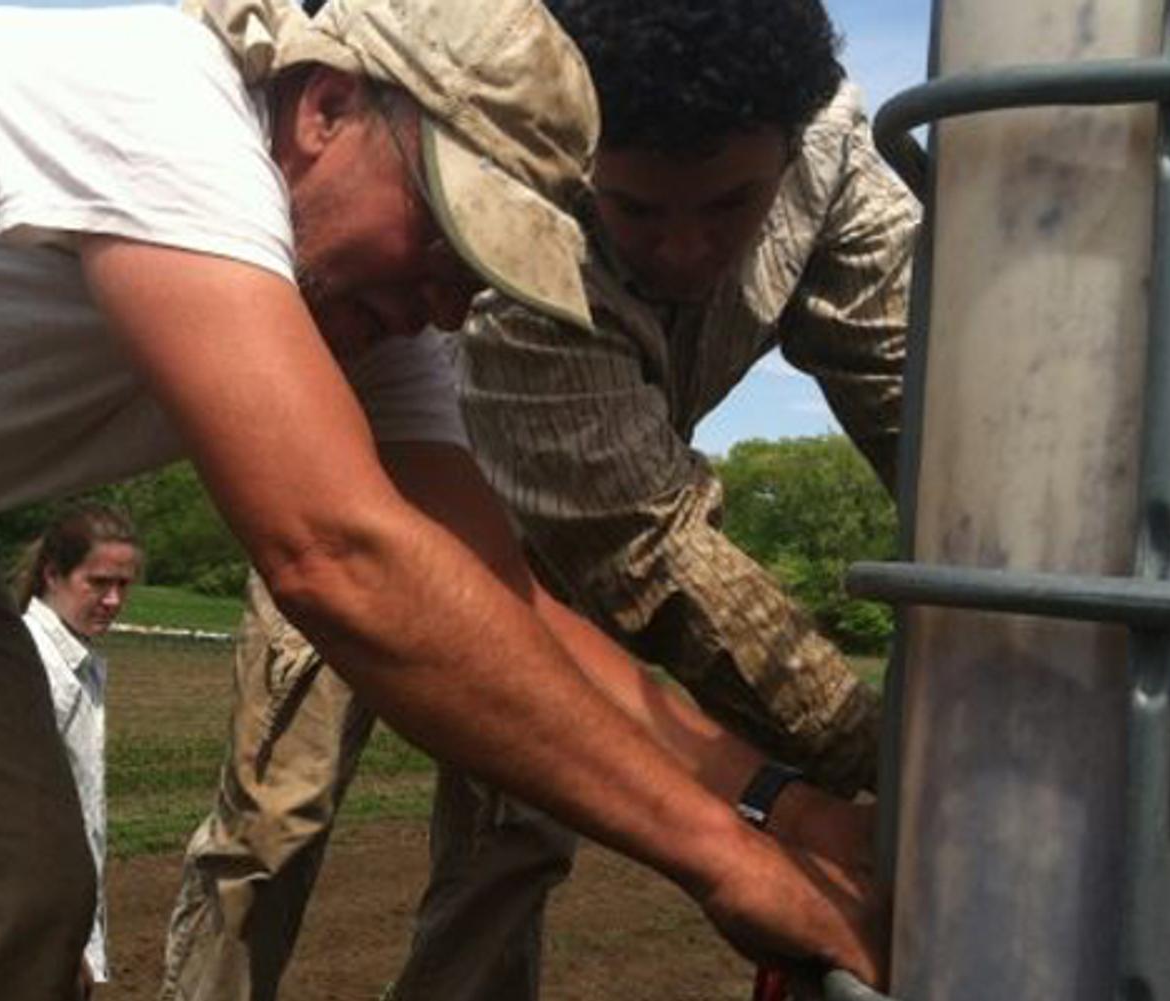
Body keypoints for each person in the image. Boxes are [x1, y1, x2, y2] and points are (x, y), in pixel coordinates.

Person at [0, 0, 882, 997]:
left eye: (494, 270)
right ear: (327, 108)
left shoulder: (376, 310)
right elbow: (340, 558)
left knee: (8, 903)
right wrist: (714, 858)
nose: (453, 297)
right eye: (452, 233)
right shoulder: (154, 108)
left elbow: (491, 604)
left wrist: (767, 800)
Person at [162, 0, 918, 998]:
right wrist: (888, 756)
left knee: (518, 837)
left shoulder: (833, 163)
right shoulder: (539, 177)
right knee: (278, 807)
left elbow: (940, 409)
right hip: (376, 490)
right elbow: (646, 550)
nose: (684, 252)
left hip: (565, 548)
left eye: (729, 206)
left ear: (788, 153)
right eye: (639, 210)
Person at [16, 505, 145, 997]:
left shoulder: (79, 660)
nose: (113, 600)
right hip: (35, 926)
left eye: (124, 585)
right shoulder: (37, 664)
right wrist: (64, 943)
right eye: (98, 583)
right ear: (53, 574)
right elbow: (27, 815)